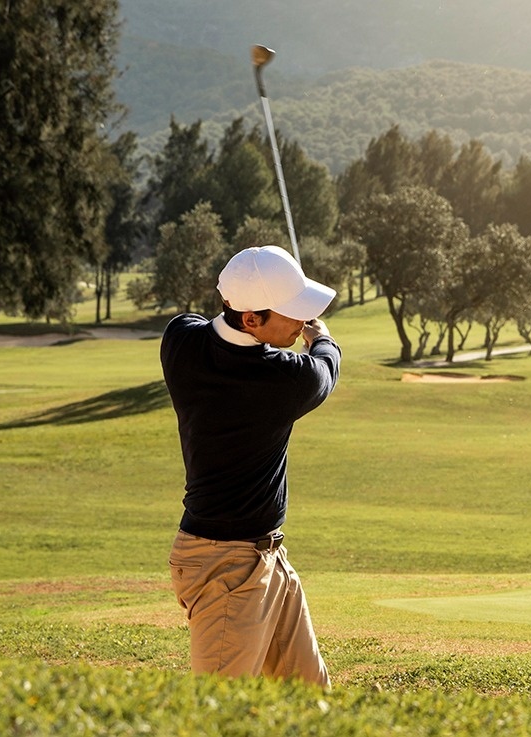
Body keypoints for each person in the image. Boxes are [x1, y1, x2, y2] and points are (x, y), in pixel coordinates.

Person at [160, 245, 340, 687]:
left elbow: (208, 326)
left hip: (265, 557)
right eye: (291, 312)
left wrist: (270, 308)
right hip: (224, 567)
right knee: (219, 714)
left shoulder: (179, 341)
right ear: (252, 319)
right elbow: (326, 368)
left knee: (311, 698)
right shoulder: (286, 380)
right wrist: (321, 337)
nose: (300, 321)